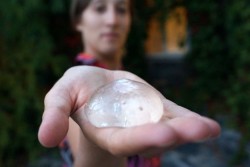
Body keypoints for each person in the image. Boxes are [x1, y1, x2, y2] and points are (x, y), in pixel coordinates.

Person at [38, 0, 221, 167]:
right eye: (99, 8)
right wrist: (100, 146)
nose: (112, 20)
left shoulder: (127, 81)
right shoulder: (77, 93)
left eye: (121, 10)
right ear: (78, 21)